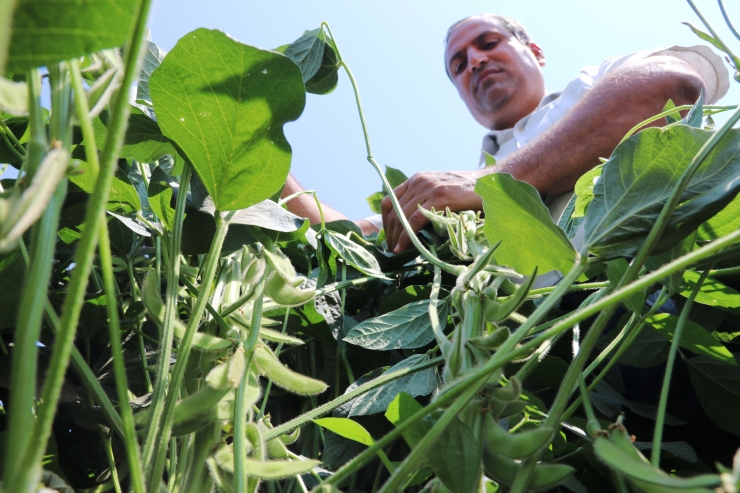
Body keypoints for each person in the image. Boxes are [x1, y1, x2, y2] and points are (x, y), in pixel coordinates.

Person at [281, 14, 730, 251]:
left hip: (653, 297)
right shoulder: (455, 191)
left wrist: (491, 184)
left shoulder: (595, 83)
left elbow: (670, 86)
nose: (474, 61)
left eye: (488, 43)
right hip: (538, 348)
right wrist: (258, 154)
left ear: (534, 50)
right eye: (459, 65)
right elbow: (348, 238)